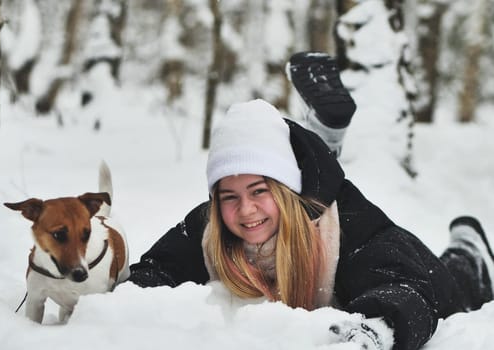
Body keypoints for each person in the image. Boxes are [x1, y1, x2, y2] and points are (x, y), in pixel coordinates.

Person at [126, 53, 494, 350]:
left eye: (259, 191)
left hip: (427, 277)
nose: (245, 209)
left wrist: (373, 329)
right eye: (229, 196)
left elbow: (407, 289)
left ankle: (471, 253)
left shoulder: (345, 223)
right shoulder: (213, 224)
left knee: (459, 279)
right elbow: (160, 268)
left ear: (286, 191)